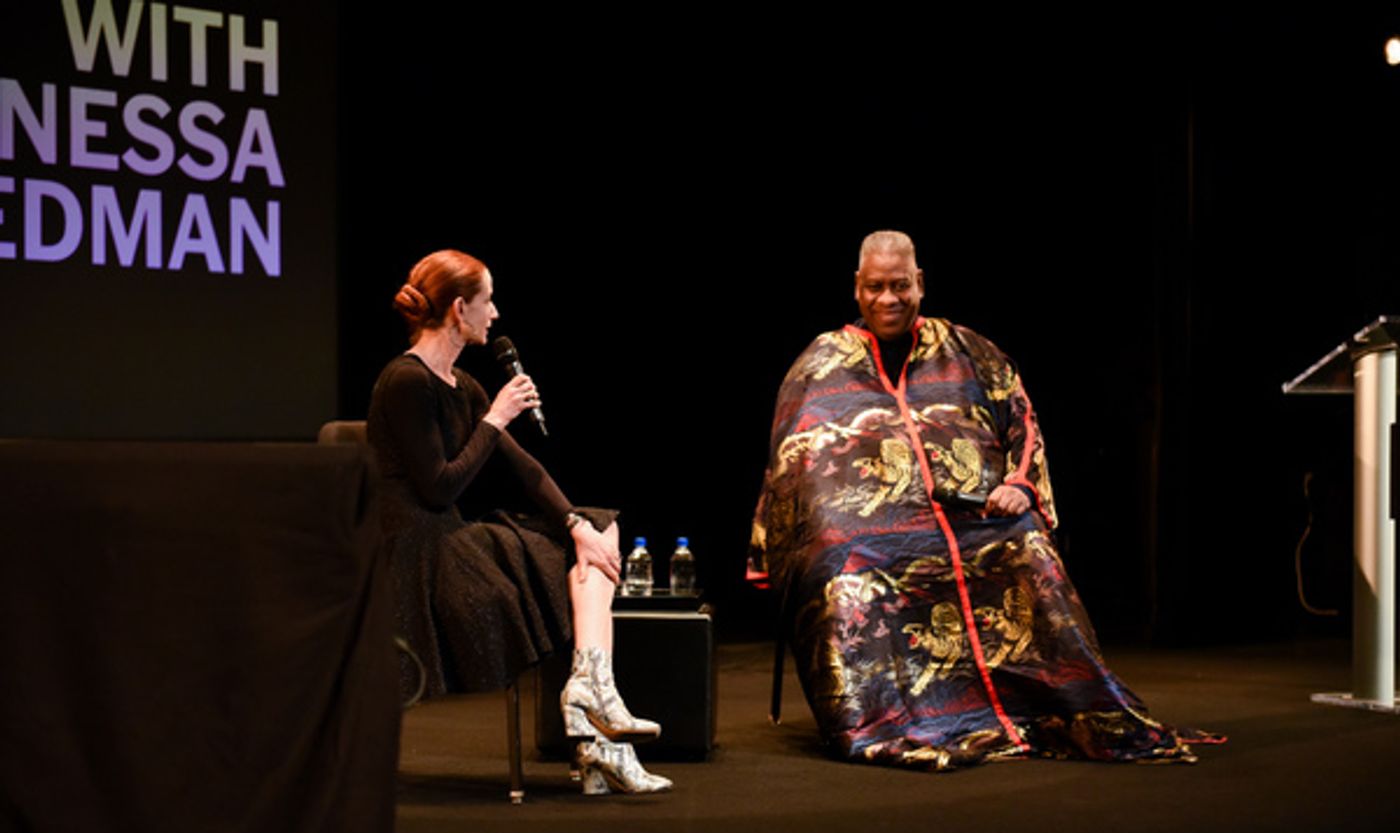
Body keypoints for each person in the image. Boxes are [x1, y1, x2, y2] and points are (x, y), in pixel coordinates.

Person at [748, 230, 1220, 769]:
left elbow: (1023, 424)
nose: (888, 299)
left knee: (1029, 547)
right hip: (871, 528)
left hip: (974, 518)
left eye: (900, 285)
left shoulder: (969, 351)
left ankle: (1048, 706)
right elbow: (792, 466)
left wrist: (1019, 485)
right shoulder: (820, 362)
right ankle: (886, 721)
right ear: (856, 289)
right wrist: (830, 524)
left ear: (920, 284)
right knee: (843, 566)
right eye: (876, 286)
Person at [367, 248, 669, 794]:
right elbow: (438, 488)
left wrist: (575, 524)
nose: (496, 314)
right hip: (419, 555)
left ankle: (592, 696)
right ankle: (598, 735)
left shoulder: (466, 384)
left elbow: (526, 471)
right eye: (488, 301)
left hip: (453, 541)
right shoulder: (405, 382)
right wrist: (497, 417)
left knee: (598, 530)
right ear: (460, 309)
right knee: (574, 559)